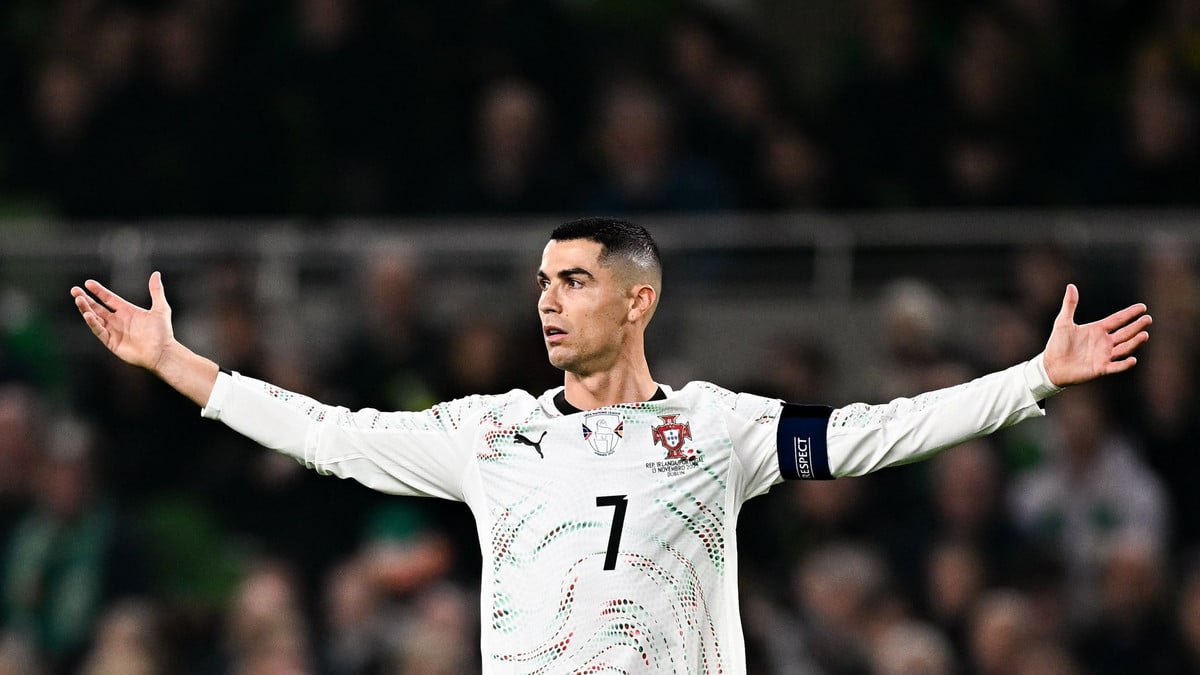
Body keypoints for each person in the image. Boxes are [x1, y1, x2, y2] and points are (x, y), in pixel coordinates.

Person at [69, 218, 1151, 674]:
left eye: (574, 281)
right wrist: (177, 364)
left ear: (639, 301)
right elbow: (330, 437)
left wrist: (1032, 379)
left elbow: (873, 435)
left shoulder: (719, 429)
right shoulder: (490, 433)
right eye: (542, 282)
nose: (547, 300)